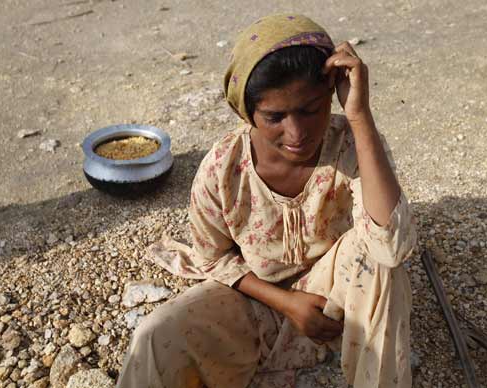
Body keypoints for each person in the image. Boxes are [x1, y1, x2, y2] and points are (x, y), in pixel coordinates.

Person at [115, 13, 417, 388]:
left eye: (311, 109)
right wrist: (287, 303)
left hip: (338, 302)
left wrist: (359, 115)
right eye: (275, 116)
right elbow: (213, 257)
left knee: (378, 262)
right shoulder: (222, 169)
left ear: (330, 97)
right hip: (254, 303)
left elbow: (393, 245)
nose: (296, 133)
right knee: (155, 334)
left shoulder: (352, 146)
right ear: (247, 111)